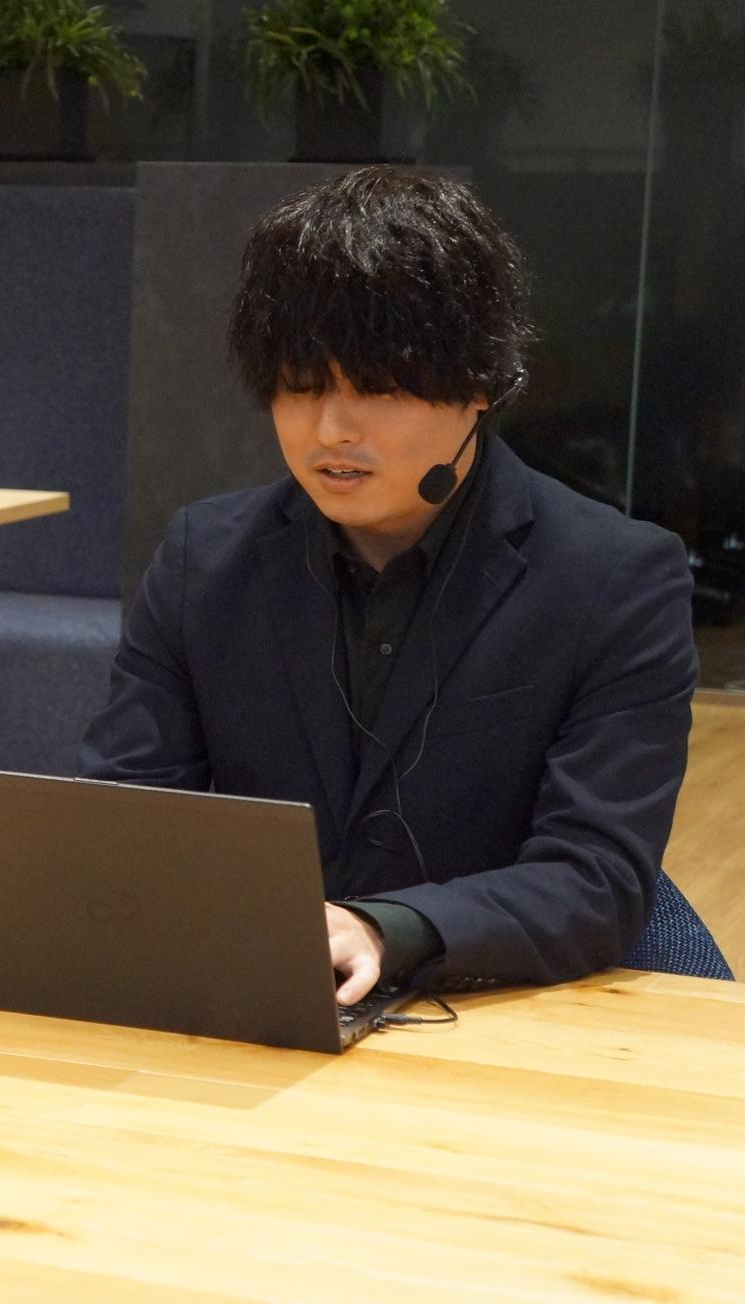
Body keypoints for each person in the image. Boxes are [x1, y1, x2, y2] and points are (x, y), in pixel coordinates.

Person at [81, 167, 698, 1002]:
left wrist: (385, 929)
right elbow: (125, 814)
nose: (332, 430)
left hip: (491, 1008)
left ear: (481, 386)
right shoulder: (206, 559)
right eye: (302, 387)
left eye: (377, 387)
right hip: (252, 1001)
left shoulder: (614, 579)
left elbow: (597, 878)